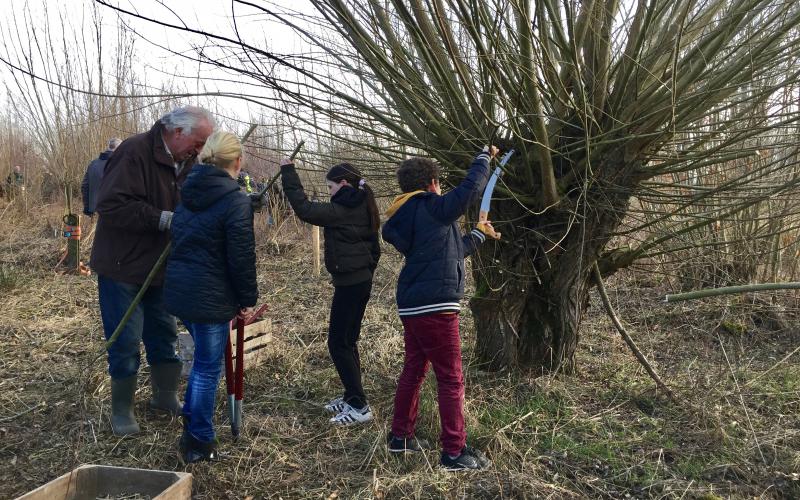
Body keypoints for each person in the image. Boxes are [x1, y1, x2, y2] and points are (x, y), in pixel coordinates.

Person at [90, 106, 215, 436]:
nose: (200, 150)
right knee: (127, 339)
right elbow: (111, 205)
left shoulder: (188, 162)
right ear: (177, 133)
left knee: (163, 331)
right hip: (123, 266)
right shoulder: (134, 152)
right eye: (198, 142)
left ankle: (164, 396)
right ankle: (122, 410)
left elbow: (199, 199)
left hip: (162, 266)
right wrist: (162, 219)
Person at [382, 146, 500, 470]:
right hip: (436, 306)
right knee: (450, 379)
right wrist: (483, 158)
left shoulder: (410, 214)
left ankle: (400, 438)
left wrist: (478, 234)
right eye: (439, 185)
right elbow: (470, 190)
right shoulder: (431, 207)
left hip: (413, 306)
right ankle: (453, 452)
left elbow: (452, 251)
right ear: (432, 183)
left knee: (415, 370)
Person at [164, 130, 257, 463]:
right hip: (210, 296)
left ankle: (192, 424)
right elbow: (241, 256)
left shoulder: (189, 191)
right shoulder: (235, 199)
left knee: (204, 362)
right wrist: (247, 299)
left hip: (181, 291)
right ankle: (199, 441)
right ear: (237, 161)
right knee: (207, 367)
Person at [280, 158, 381, 425]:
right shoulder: (362, 204)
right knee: (348, 341)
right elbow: (375, 249)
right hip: (359, 281)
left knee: (338, 343)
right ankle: (351, 396)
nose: (329, 193)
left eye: (330, 188)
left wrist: (288, 173)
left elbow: (305, 209)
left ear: (344, 184)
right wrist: (367, 270)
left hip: (351, 283)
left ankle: (359, 405)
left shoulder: (345, 207)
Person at [81, 138, 122, 217]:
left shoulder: (93, 164)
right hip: (115, 212)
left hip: (96, 211)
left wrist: (88, 209)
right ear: (118, 148)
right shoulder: (119, 164)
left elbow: (85, 186)